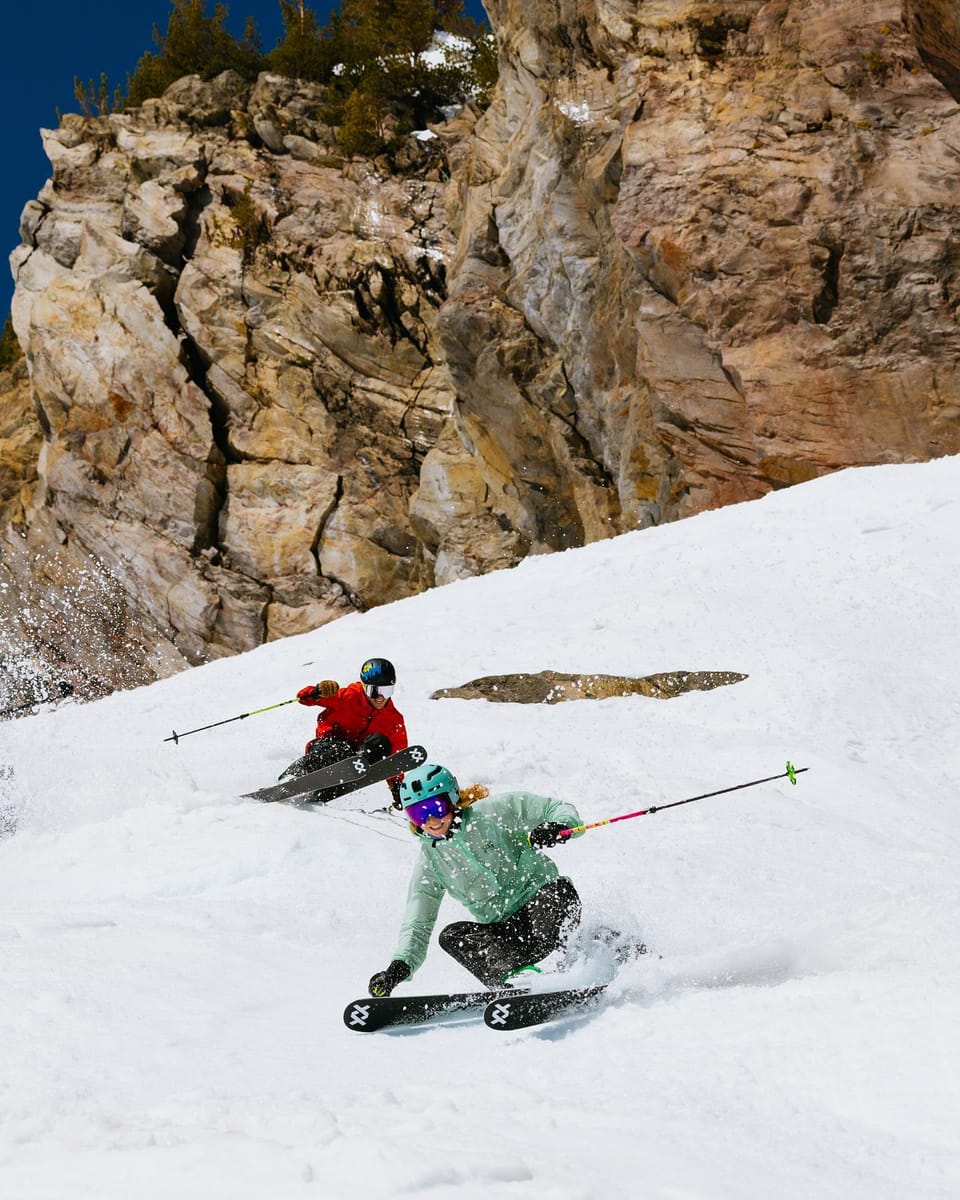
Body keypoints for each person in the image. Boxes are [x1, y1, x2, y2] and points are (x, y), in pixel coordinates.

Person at [367, 762, 584, 997]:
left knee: (553, 898)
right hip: (508, 933)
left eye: (436, 807)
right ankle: (513, 985)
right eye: (418, 813)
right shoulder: (431, 861)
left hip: (548, 905)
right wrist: (399, 967)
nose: (430, 820)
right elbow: (418, 921)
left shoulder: (493, 813)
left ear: (451, 799)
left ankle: (585, 954)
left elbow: (557, 808)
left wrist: (557, 826)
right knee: (452, 937)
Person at [280, 657, 408, 804]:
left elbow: (396, 755)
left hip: (354, 766)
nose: (380, 697)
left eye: (386, 690)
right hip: (327, 749)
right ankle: (293, 777)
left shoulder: (393, 719)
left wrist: (397, 787)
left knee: (380, 743)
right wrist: (318, 691)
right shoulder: (349, 696)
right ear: (364, 686)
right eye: (374, 691)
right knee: (337, 750)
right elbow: (304, 698)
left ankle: (344, 774)